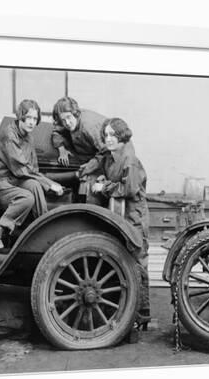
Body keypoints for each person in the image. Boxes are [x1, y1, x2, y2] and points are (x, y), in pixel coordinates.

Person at [91, 117, 151, 327]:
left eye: (113, 135)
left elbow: (129, 189)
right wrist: (101, 179)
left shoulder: (129, 159)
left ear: (122, 136)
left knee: (137, 261)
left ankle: (142, 315)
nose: (108, 139)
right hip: (120, 213)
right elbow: (109, 176)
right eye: (106, 135)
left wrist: (104, 188)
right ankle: (127, 313)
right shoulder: (111, 157)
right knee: (123, 260)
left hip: (134, 215)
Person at [0, 99, 64, 251]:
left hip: (13, 179)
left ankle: (43, 229)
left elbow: (33, 169)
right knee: (26, 198)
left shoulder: (28, 137)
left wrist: (45, 182)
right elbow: (21, 169)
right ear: (20, 116)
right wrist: (50, 184)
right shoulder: (9, 135)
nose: (32, 122)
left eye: (35, 118)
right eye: (28, 118)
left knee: (34, 185)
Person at [51, 96, 108, 178]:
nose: (67, 123)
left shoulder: (88, 126)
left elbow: (106, 152)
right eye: (63, 120)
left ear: (75, 113)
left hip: (110, 156)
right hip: (87, 154)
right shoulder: (66, 121)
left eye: (68, 117)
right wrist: (61, 149)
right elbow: (56, 131)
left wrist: (88, 167)